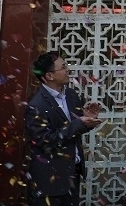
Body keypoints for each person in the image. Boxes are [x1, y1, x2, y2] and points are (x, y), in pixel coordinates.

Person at [25, 51, 102, 206]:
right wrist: (79, 124)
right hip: (50, 180)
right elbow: (46, 141)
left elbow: (74, 129)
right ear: (49, 76)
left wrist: (86, 119)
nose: (68, 70)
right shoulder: (36, 105)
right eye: (63, 67)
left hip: (72, 174)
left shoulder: (71, 95)